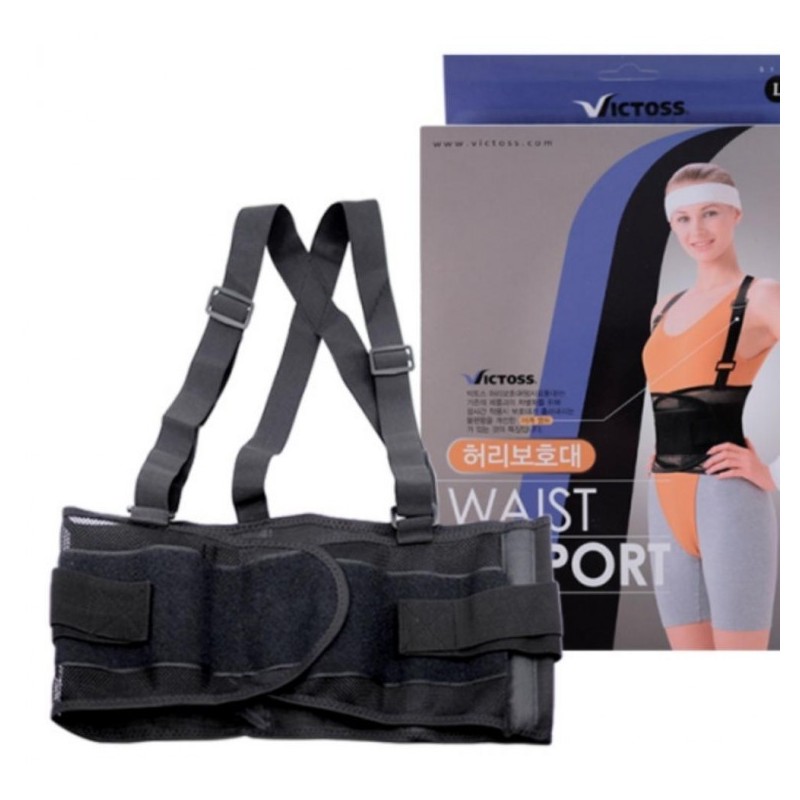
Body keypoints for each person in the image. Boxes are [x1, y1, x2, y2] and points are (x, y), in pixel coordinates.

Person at [642, 162, 779, 650]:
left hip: (728, 498)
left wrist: (777, 472)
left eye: (710, 213)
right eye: (682, 218)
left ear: (736, 214)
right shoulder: (665, 306)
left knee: (739, 675)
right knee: (693, 675)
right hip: (664, 497)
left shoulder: (763, 297)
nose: (696, 230)